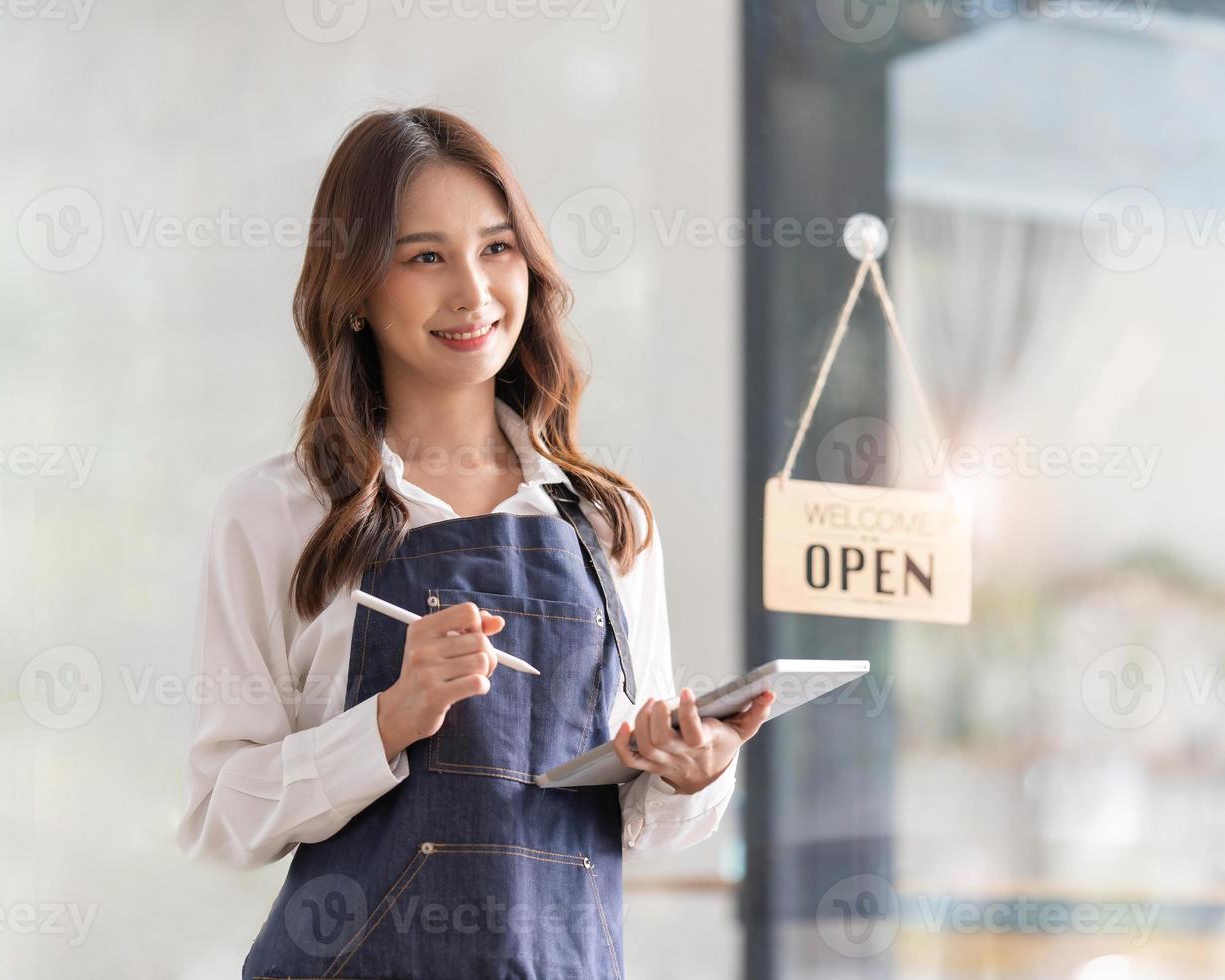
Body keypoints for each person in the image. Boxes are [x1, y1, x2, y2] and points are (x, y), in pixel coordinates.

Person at [175, 106, 775, 978]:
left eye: (497, 249)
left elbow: (634, 822)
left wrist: (694, 770)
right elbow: (220, 817)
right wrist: (387, 721)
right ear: (355, 290)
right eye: (426, 257)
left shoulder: (606, 522)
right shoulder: (279, 512)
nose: (473, 293)